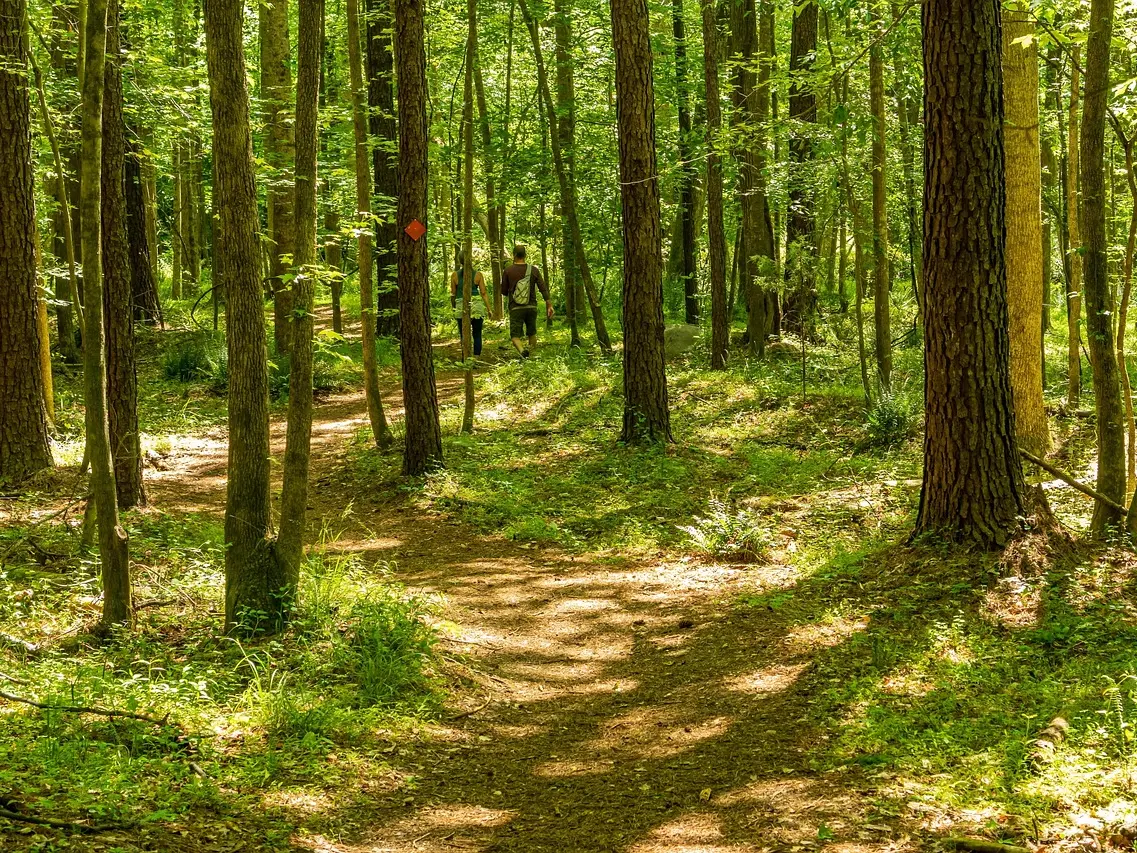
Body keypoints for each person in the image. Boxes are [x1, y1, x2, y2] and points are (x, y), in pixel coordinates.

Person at [500, 245, 552, 358]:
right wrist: (549, 304)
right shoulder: (534, 270)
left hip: (515, 307)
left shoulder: (508, 271)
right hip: (531, 306)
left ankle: (522, 351)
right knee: (532, 333)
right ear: (525, 255)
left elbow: (503, 291)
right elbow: (542, 287)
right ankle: (531, 355)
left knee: (515, 336)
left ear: (514, 255)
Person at [450, 250, 492, 357]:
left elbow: (453, 294)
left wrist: (454, 308)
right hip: (476, 306)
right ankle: (476, 358)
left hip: (461, 306)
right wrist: (489, 309)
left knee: (463, 334)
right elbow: (483, 293)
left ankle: (465, 356)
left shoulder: (454, 275)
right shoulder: (478, 275)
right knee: (477, 333)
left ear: (460, 261)